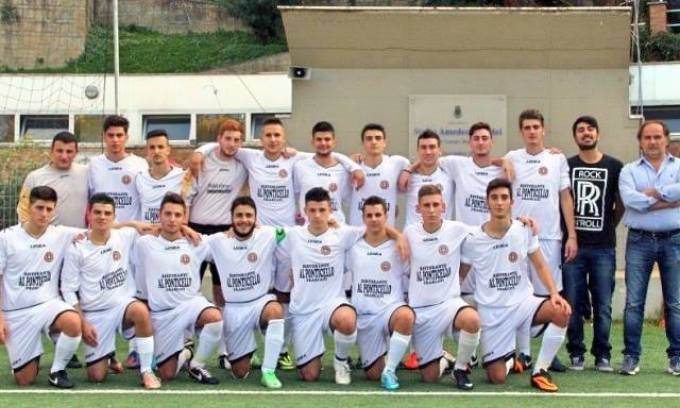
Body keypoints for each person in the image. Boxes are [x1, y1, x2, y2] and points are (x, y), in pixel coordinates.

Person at [275, 187, 406, 384]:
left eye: (322, 210)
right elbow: (262, 234)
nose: (317, 215)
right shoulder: (292, 235)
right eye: (312, 210)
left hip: (332, 304)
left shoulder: (343, 234)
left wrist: (399, 236)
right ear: (305, 211)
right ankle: (313, 357)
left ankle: (341, 362)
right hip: (303, 311)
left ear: (330, 210)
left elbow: (375, 226)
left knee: (347, 319)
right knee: (309, 376)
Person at [461, 178, 572, 392]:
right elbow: (461, 274)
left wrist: (553, 293)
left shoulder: (524, 229)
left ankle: (540, 371)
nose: (499, 202)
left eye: (504, 197)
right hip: (493, 313)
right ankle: (510, 357)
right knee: (497, 378)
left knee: (561, 311)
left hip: (523, 304)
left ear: (512, 202)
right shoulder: (473, 238)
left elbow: (540, 265)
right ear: (487, 202)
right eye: (494, 198)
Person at [60, 193, 161, 389]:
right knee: (96, 377)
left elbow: (161, 228)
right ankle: (109, 355)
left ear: (114, 217)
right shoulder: (77, 247)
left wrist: (184, 228)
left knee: (140, 311)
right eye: (97, 212)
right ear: (89, 214)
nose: (102, 217)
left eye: (107, 213)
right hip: (95, 314)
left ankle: (147, 371)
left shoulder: (125, 235)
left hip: (122, 306)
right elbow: (68, 290)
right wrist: (83, 322)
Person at [504, 109, 577, 372]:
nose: (532, 131)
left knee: (550, 295)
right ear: (521, 131)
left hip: (549, 238)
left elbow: (565, 198)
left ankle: (549, 354)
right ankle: (522, 354)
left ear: (543, 130)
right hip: (518, 237)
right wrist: (502, 161)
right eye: (527, 127)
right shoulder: (512, 157)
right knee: (520, 295)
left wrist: (572, 235)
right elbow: (486, 162)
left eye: (536, 127)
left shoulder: (557, 159)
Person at [133, 193, 223, 384]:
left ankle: (197, 365)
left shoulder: (196, 242)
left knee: (215, 318)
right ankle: (186, 351)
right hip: (163, 315)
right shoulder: (144, 243)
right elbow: (110, 229)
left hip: (190, 305)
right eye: (168, 214)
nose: (172, 219)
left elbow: (230, 239)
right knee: (167, 375)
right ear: (159, 215)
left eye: (177, 215)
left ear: (184, 217)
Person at [0, 186, 83, 388]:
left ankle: (57, 370)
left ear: (54, 211)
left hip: (48, 305)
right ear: (29, 207)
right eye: (39, 208)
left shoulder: (61, 234)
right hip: (16, 313)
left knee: (73, 321)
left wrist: (137, 226)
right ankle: (32, 353)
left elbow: (100, 230)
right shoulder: (6, 238)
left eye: (49, 209)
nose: (44, 214)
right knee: (24, 380)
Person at [619, 120, 680, 376]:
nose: (652, 142)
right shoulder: (629, 171)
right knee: (634, 302)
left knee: (675, 303)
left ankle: (677, 357)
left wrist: (655, 191)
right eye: (647, 137)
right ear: (640, 141)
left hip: (673, 240)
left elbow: (644, 200)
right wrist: (670, 200)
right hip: (639, 241)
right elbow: (631, 201)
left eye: (657, 137)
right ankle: (631, 357)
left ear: (666, 139)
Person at [562, 116, 624, 372]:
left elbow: (620, 204)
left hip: (603, 248)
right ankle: (576, 352)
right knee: (572, 303)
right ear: (575, 136)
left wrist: (609, 225)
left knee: (603, 305)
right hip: (573, 247)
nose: (586, 133)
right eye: (580, 130)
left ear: (598, 133)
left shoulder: (614, 166)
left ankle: (603, 354)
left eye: (590, 129)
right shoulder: (566, 165)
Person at [404, 184, 480, 390]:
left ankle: (460, 369)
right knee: (429, 378)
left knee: (472, 319)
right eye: (426, 205)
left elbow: (489, 229)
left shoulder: (457, 229)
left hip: (449, 305)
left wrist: (521, 222)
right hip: (421, 311)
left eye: (436, 205)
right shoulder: (409, 233)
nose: (431, 210)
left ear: (443, 207)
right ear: (418, 208)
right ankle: (445, 360)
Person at [207, 196, 285, 388]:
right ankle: (249, 351)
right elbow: (190, 240)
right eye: (239, 215)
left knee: (275, 310)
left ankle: (268, 371)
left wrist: (333, 225)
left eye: (249, 215)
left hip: (260, 302)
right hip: (234, 310)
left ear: (256, 218)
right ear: (232, 218)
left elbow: (300, 233)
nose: (244, 220)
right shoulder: (217, 241)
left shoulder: (268, 234)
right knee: (240, 373)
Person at [347, 195, 414, 390]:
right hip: (366, 316)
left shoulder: (399, 246)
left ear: (386, 216)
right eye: (369, 215)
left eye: (378, 215)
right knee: (372, 375)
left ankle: (390, 370)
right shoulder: (352, 245)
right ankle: (385, 360)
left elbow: (414, 275)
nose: (374, 219)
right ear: (363, 218)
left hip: (390, 310)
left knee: (406, 316)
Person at [185, 119, 248, 311]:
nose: (232, 144)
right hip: (196, 229)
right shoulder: (202, 162)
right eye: (228, 138)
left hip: (224, 231)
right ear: (219, 138)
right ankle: (190, 325)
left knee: (221, 285)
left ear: (241, 142)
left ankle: (221, 324)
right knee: (191, 283)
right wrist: (184, 228)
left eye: (236, 140)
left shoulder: (243, 164)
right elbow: (186, 198)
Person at [293, 121, 364, 225]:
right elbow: (295, 196)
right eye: (319, 139)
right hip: (309, 228)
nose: (323, 143)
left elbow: (350, 200)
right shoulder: (300, 167)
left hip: (336, 228)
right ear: (312, 142)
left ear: (334, 142)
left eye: (327, 139)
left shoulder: (343, 169)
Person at [17, 131, 88, 228]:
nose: (64, 156)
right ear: (51, 151)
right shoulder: (34, 177)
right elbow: (23, 211)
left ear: (76, 153)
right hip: (47, 236)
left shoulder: (86, 173)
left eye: (69, 151)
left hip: (79, 235)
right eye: (59, 151)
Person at [88, 115, 149, 222]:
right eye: (111, 135)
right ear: (104, 137)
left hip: (131, 229)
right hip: (102, 228)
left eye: (119, 135)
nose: (115, 140)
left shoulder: (140, 164)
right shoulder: (93, 164)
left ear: (127, 137)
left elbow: (146, 198)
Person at [348, 124, 410, 226]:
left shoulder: (398, 163)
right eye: (369, 138)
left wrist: (409, 170)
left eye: (378, 138)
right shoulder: (352, 166)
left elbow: (420, 165)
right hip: (357, 232)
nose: (374, 142)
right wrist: (349, 160)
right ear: (363, 143)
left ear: (385, 142)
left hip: (386, 232)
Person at [401, 130, 454, 226]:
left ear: (440, 150)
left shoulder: (449, 174)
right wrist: (409, 170)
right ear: (417, 151)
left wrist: (411, 167)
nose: (428, 152)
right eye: (423, 147)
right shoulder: (408, 177)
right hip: (414, 234)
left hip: (442, 234)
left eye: (432, 147)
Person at [135, 129, 188, 223]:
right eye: (152, 147)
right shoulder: (140, 178)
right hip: (147, 231)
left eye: (160, 147)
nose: (156, 151)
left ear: (168, 150)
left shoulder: (182, 176)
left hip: (171, 231)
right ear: (147, 151)